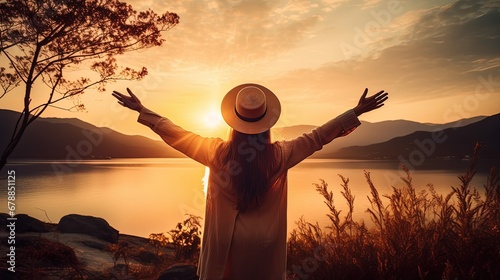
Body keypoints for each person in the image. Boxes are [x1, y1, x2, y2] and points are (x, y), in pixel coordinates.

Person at [112, 84, 388, 280]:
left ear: (233, 123)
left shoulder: (216, 152)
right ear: (267, 124)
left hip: (224, 243)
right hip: (263, 245)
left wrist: (144, 111)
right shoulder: (281, 154)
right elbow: (318, 137)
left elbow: (178, 135)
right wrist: (355, 112)